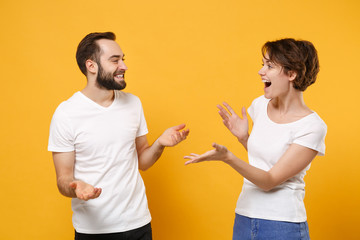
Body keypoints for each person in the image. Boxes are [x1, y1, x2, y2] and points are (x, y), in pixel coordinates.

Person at [48, 32, 189, 240]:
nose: (124, 66)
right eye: (115, 60)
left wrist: (160, 143)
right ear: (91, 66)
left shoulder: (133, 103)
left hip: (138, 224)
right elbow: (63, 178)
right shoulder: (67, 113)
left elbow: (143, 161)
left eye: (123, 59)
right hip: (94, 231)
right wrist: (75, 186)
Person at [184, 38, 327, 240]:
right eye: (262, 64)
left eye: (269, 66)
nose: (261, 72)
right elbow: (263, 163)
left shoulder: (312, 127)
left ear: (292, 74)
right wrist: (244, 138)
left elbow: (269, 181)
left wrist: (228, 158)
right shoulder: (260, 105)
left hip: (282, 225)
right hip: (245, 216)